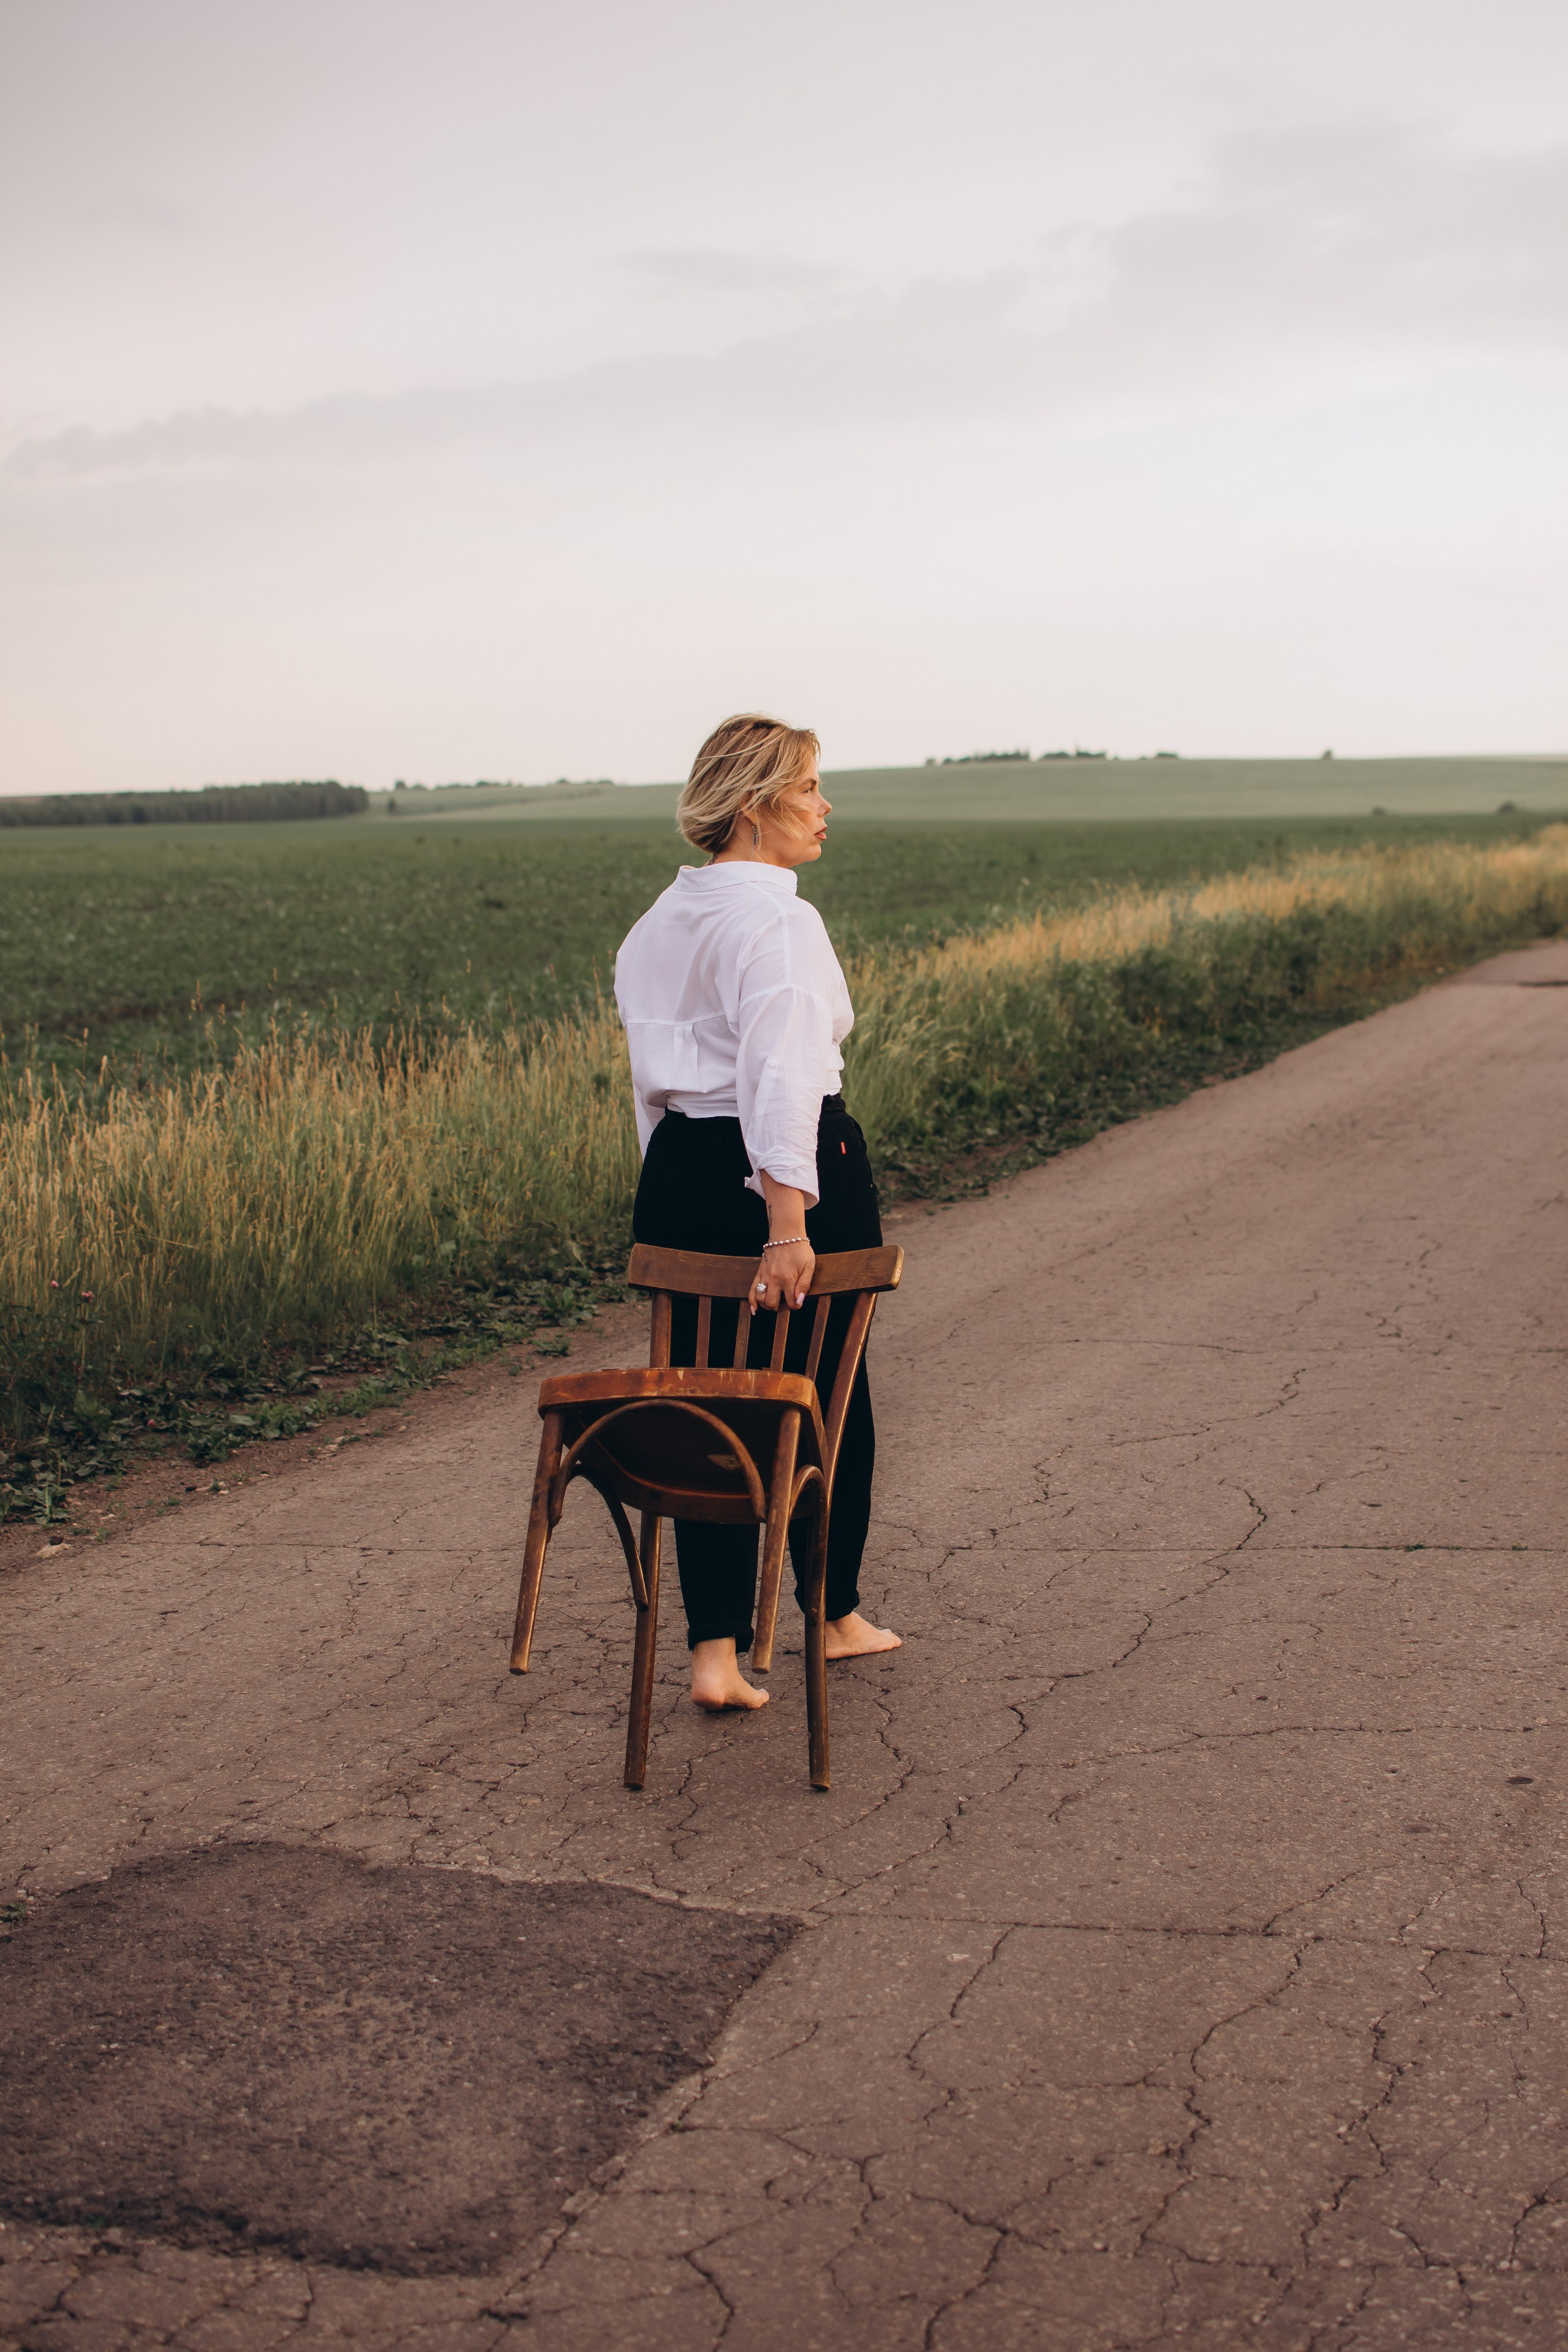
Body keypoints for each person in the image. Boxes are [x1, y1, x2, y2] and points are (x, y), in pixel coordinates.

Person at [613, 714, 902, 1713]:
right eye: (808, 787)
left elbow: (651, 1091)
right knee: (822, 1396)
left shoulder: (658, 922)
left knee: (707, 1401)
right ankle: (832, 1613)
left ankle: (716, 1654)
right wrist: (787, 1221)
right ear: (753, 806)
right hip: (782, 1170)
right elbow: (781, 1073)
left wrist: (678, 1196)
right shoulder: (779, 921)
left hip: (682, 1172)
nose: (826, 806)